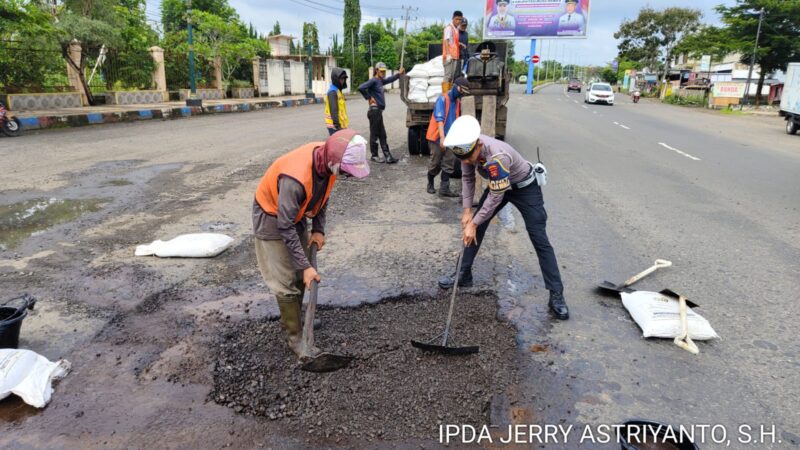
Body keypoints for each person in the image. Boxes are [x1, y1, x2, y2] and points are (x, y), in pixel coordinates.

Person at [437, 115, 570, 320]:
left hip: (525, 188)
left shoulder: (498, 156)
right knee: (476, 228)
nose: (465, 162)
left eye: (468, 157)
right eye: (461, 158)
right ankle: (463, 274)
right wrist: (466, 211)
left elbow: (495, 196)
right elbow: (467, 177)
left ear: (479, 145)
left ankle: (556, 294)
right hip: (497, 186)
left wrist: (473, 222)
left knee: (539, 238)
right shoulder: (466, 146)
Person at [253, 130, 371, 359]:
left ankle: (296, 320)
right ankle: (296, 339)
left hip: (293, 215)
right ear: (333, 163)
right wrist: (307, 266)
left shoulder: (329, 159)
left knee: (299, 274)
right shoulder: (295, 179)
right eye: (345, 172)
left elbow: (323, 195)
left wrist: (318, 229)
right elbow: (284, 226)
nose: (346, 176)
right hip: (272, 217)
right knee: (286, 278)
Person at [426, 77, 470, 197]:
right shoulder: (442, 99)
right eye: (462, 90)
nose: (462, 94)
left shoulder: (457, 103)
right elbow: (440, 120)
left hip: (450, 137)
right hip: (437, 137)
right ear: (456, 87)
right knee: (435, 162)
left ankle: (444, 189)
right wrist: (442, 138)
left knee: (449, 162)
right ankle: (430, 183)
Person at [357, 62, 405, 164]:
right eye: (381, 71)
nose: (383, 73)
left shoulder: (380, 81)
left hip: (378, 112)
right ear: (376, 70)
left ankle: (388, 156)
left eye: (384, 71)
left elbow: (389, 80)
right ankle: (374, 155)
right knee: (374, 134)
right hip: (374, 111)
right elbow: (361, 87)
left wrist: (398, 74)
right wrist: (369, 97)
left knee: (382, 134)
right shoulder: (374, 81)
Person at [442, 10, 463, 92]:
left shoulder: (456, 29)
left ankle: (449, 94)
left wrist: (460, 43)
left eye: (460, 20)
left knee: (452, 77)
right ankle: (445, 96)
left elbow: (453, 41)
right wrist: (448, 54)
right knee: (448, 76)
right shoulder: (449, 28)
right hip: (449, 57)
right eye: (457, 19)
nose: (458, 21)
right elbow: (446, 41)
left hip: (455, 56)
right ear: (453, 18)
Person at [324, 68, 349, 135]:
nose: (342, 81)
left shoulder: (338, 91)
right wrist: (338, 127)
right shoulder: (333, 92)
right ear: (336, 79)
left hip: (340, 125)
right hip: (334, 126)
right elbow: (334, 111)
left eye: (344, 79)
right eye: (341, 79)